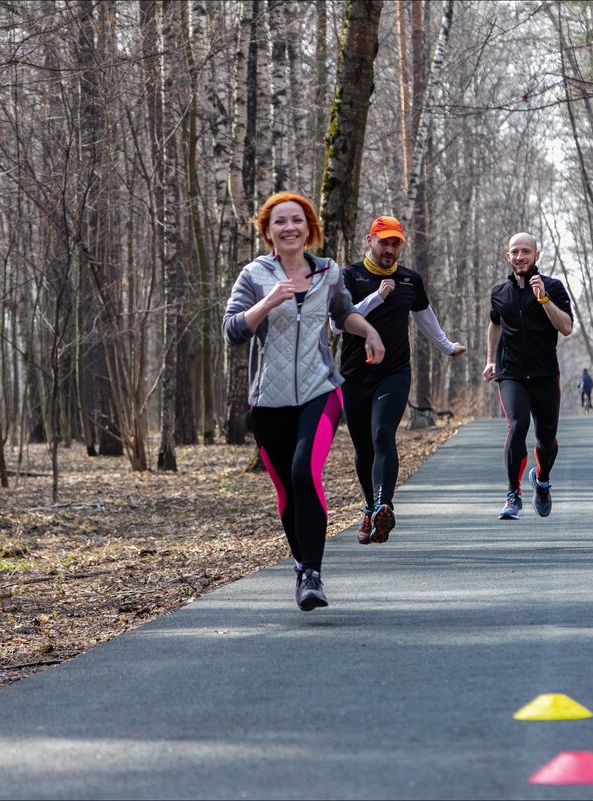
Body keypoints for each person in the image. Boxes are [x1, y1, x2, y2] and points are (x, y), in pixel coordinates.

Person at [223, 192, 385, 611]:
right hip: (267, 400)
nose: (289, 227)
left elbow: (342, 312)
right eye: (280, 222)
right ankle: (301, 565)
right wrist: (269, 301)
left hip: (320, 389)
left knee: (303, 472)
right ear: (268, 232)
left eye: (297, 220)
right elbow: (232, 331)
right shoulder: (254, 275)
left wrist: (367, 330)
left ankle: (312, 573)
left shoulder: (329, 272)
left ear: (309, 228)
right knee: (286, 489)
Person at [333, 216, 466, 545]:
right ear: (369, 241)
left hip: (394, 371)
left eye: (395, 244)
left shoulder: (410, 280)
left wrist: (447, 346)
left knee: (382, 434)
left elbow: (425, 317)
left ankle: (383, 506)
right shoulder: (349, 276)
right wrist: (377, 297)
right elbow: (336, 325)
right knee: (364, 448)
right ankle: (369, 508)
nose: (390, 249)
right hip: (353, 373)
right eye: (384, 242)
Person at [482, 232, 573, 520]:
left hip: (545, 373)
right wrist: (489, 360)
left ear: (536, 255)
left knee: (546, 440)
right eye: (515, 252)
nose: (520, 257)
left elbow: (567, 327)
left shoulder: (554, 287)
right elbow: (494, 324)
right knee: (517, 425)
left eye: (525, 252)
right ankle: (513, 496)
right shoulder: (499, 292)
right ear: (508, 257)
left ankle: (542, 480)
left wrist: (543, 298)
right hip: (511, 373)